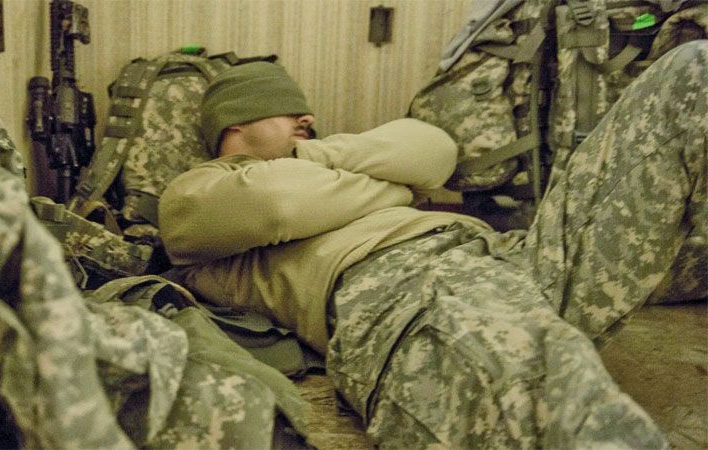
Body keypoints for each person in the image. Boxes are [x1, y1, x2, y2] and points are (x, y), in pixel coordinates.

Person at [158, 41, 707, 448]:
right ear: (235, 122)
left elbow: (436, 149)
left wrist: (311, 156)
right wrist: (401, 186)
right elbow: (278, 203)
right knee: (568, 409)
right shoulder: (192, 193)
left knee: (691, 71)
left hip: (505, 254)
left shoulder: (318, 162)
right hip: (407, 291)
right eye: (287, 112)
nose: (310, 119)